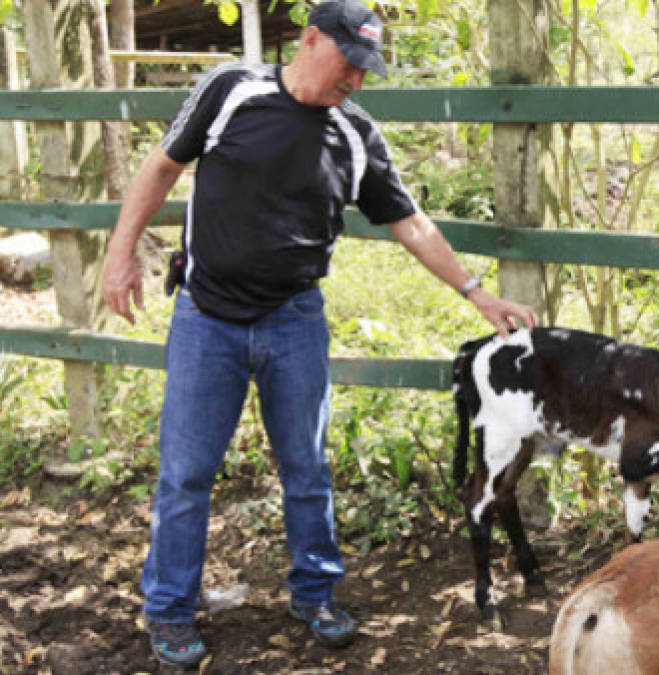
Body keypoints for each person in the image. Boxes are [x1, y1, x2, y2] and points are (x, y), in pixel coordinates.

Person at [100, 0, 537, 668]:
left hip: (294, 321)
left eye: (368, 70)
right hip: (206, 318)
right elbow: (160, 167)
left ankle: (316, 593)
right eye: (350, 63)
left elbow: (411, 223)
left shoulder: (355, 132)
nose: (357, 80)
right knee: (186, 475)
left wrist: (477, 293)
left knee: (306, 469)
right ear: (310, 40)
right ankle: (168, 609)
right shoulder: (230, 91)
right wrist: (120, 251)